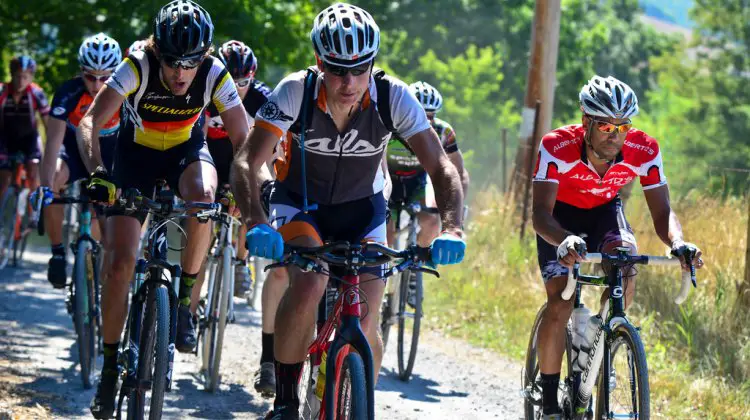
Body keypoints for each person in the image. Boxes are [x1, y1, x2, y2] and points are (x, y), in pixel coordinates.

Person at [231, 3, 466, 418]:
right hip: (301, 205)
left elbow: (441, 167)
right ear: (320, 62)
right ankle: (285, 399)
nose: (349, 81)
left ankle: (352, 398)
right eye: (338, 70)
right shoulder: (295, 91)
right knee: (309, 284)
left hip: (365, 211)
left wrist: (452, 228)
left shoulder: (393, 97)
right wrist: (256, 220)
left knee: (368, 321)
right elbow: (247, 161)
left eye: (360, 69)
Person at [80, 1, 250, 418]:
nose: (179, 73)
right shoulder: (136, 64)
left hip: (185, 152)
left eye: (190, 63)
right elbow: (91, 121)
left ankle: (185, 305)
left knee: (204, 200)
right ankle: (108, 367)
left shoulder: (214, 73)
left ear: (205, 56)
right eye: (172, 61)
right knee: (120, 263)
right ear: (158, 51)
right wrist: (99, 172)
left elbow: (244, 134)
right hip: (133, 155)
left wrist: (241, 186)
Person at [531, 75, 704, 419]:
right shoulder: (556, 145)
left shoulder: (645, 149)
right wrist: (562, 239)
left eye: (623, 127)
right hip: (559, 219)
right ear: (586, 123)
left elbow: (663, 212)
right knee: (560, 303)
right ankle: (549, 400)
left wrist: (679, 242)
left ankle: (601, 341)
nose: (616, 136)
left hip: (605, 214)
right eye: (607, 127)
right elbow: (539, 214)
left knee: (626, 264)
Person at [189, 39, 271, 309]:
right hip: (212, 156)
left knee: (256, 192)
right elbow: (197, 143)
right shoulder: (207, 94)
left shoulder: (263, 99)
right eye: (229, 81)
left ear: (253, 78)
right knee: (204, 226)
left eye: (242, 82)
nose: (235, 88)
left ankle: (240, 260)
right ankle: (190, 307)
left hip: (246, 156)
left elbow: (271, 151)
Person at [37, 33, 122, 288]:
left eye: (105, 78)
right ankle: (58, 253)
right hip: (73, 149)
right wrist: (44, 188)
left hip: (107, 153)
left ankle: (102, 271)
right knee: (54, 179)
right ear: (80, 71)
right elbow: (52, 143)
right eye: (90, 77)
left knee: (109, 227)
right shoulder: (68, 92)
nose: (97, 85)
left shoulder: (124, 93)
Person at [385, 81, 469, 304]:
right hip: (388, 181)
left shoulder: (443, 132)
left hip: (417, 183)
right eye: (422, 114)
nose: (427, 121)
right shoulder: (390, 126)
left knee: (432, 221)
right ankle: (379, 277)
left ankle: (414, 274)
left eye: (431, 116)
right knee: (387, 231)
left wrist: (456, 213)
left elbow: (458, 174)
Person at [0, 56, 49, 202]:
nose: (21, 81)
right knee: (3, 180)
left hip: (29, 139)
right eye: (18, 76)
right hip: (5, 138)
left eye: (25, 77)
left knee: (33, 174)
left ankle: (35, 215)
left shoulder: (36, 93)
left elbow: (47, 122)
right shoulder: (2, 91)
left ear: (31, 77)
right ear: (12, 75)